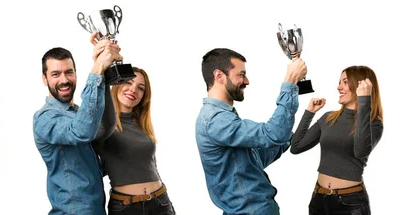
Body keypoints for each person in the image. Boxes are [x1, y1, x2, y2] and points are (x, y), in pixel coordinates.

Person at [195, 48, 307, 214]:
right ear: (219, 76)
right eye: (241, 74)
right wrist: (290, 82)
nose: (246, 81)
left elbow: (252, 162)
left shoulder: (222, 117)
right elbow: (273, 133)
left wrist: (292, 137)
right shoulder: (216, 120)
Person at [33, 32, 123, 215]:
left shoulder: (77, 112)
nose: (64, 80)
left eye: (69, 72)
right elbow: (82, 131)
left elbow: (105, 128)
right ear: (45, 79)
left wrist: (103, 74)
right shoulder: (44, 118)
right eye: (55, 74)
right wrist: (97, 69)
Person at [290, 66, 383, 215]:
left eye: (345, 82)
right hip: (318, 199)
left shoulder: (374, 123)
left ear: (360, 85)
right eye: (339, 82)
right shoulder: (329, 117)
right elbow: (296, 147)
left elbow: (360, 151)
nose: (338, 87)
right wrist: (309, 113)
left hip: (351, 204)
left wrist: (364, 101)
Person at [93, 66, 176, 215]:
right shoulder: (103, 123)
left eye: (140, 88)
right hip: (126, 207)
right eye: (128, 83)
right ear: (117, 83)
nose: (133, 90)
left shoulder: (143, 124)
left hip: (160, 201)